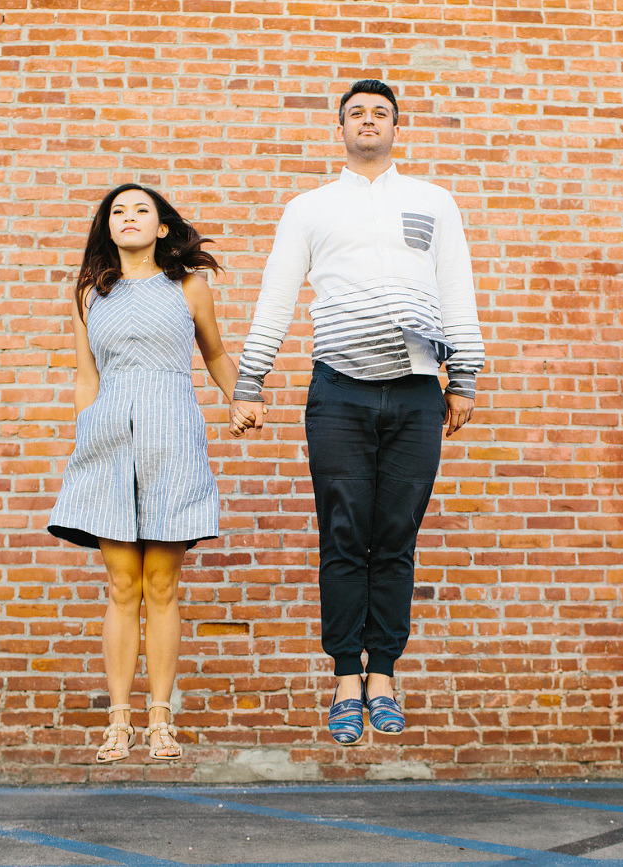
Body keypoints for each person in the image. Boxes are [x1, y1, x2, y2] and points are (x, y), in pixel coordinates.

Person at [227, 80, 485, 744]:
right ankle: (346, 673)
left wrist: (465, 378)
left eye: (380, 113)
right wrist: (250, 382)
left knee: (394, 534)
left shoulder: (433, 201)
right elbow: (277, 294)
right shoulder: (310, 208)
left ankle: (385, 673)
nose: (368, 121)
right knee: (344, 533)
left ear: (397, 127)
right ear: (339, 128)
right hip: (337, 390)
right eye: (356, 113)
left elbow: (455, 284)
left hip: (416, 392)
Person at [48, 183, 254, 763]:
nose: (130, 218)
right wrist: (85, 431)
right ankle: (118, 722)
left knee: (162, 585)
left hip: (172, 437)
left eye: (143, 210)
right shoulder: (90, 291)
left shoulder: (189, 285)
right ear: (107, 227)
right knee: (121, 586)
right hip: (108, 438)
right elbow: (86, 374)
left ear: (163, 227)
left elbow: (214, 354)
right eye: (119, 212)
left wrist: (241, 399)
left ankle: (160, 720)